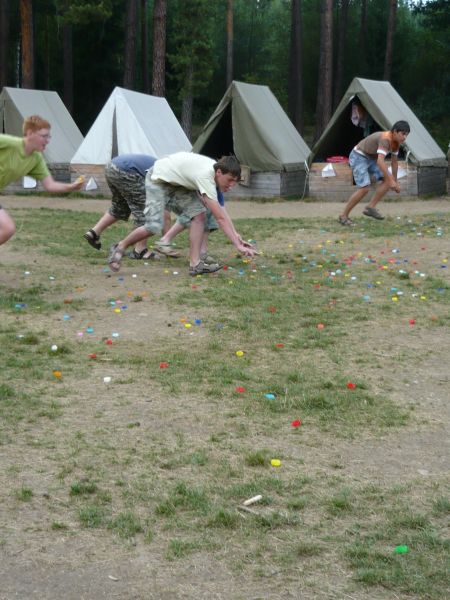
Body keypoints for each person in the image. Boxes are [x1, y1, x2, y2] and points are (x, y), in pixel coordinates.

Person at [107, 153, 256, 275]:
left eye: (234, 182)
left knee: (199, 215)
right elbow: (220, 218)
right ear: (219, 172)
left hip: (176, 183)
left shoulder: (215, 174)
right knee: (153, 226)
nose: (231, 186)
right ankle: (120, 247)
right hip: (158, 178)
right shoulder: (206, 176)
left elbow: (221, 210)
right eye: (229, 180)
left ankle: (195, 264)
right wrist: (238, 246)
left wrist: (236, 236)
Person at [0, 115, 84, 245]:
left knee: (8, 229)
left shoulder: (36, 159)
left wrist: (71, 186)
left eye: (49, 136)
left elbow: (50, 185)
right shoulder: (9, 143)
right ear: (29, 133)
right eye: (44, 136)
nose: (48, 140)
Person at [83, 154, 173, 260]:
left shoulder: (165, 168)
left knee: (120, 207)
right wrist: (166, 244)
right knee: (146, 211)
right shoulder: (171, 179)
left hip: (111, 167)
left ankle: (94, 232)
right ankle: (140, 250)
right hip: (127, 171)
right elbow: (166, 215)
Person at [338, 120, 410, 225]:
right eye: (403, 134)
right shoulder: (386, 139)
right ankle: (343, 216)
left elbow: (394, 162)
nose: (404, 138)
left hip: (371, 158)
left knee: (387, 180)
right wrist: (391, 181)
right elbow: (380, 162)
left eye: (406, 135)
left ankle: (370, 208)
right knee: (364, 188)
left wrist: (394, 181)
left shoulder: (396, 143)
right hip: (358, 156)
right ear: (395, 131)